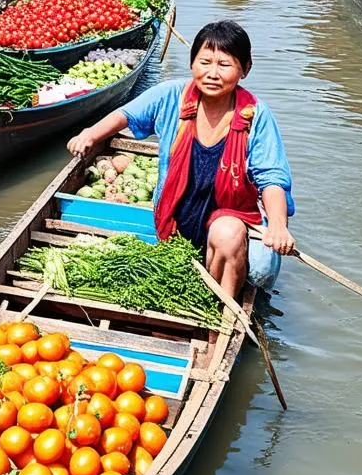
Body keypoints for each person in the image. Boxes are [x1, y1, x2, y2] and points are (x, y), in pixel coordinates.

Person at [67, 20, 295, 299]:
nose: (212, 73)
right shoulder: (171, 96)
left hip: (231, 217)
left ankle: (222, 311)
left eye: (224, 65)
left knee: (244, 251)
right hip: (177, 213)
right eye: (205, 62)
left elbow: (271, 178)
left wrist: (279, 226)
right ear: (192, 64)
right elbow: (127, 114)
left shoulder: (255, 115)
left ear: (245, 69)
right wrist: (89, 134)